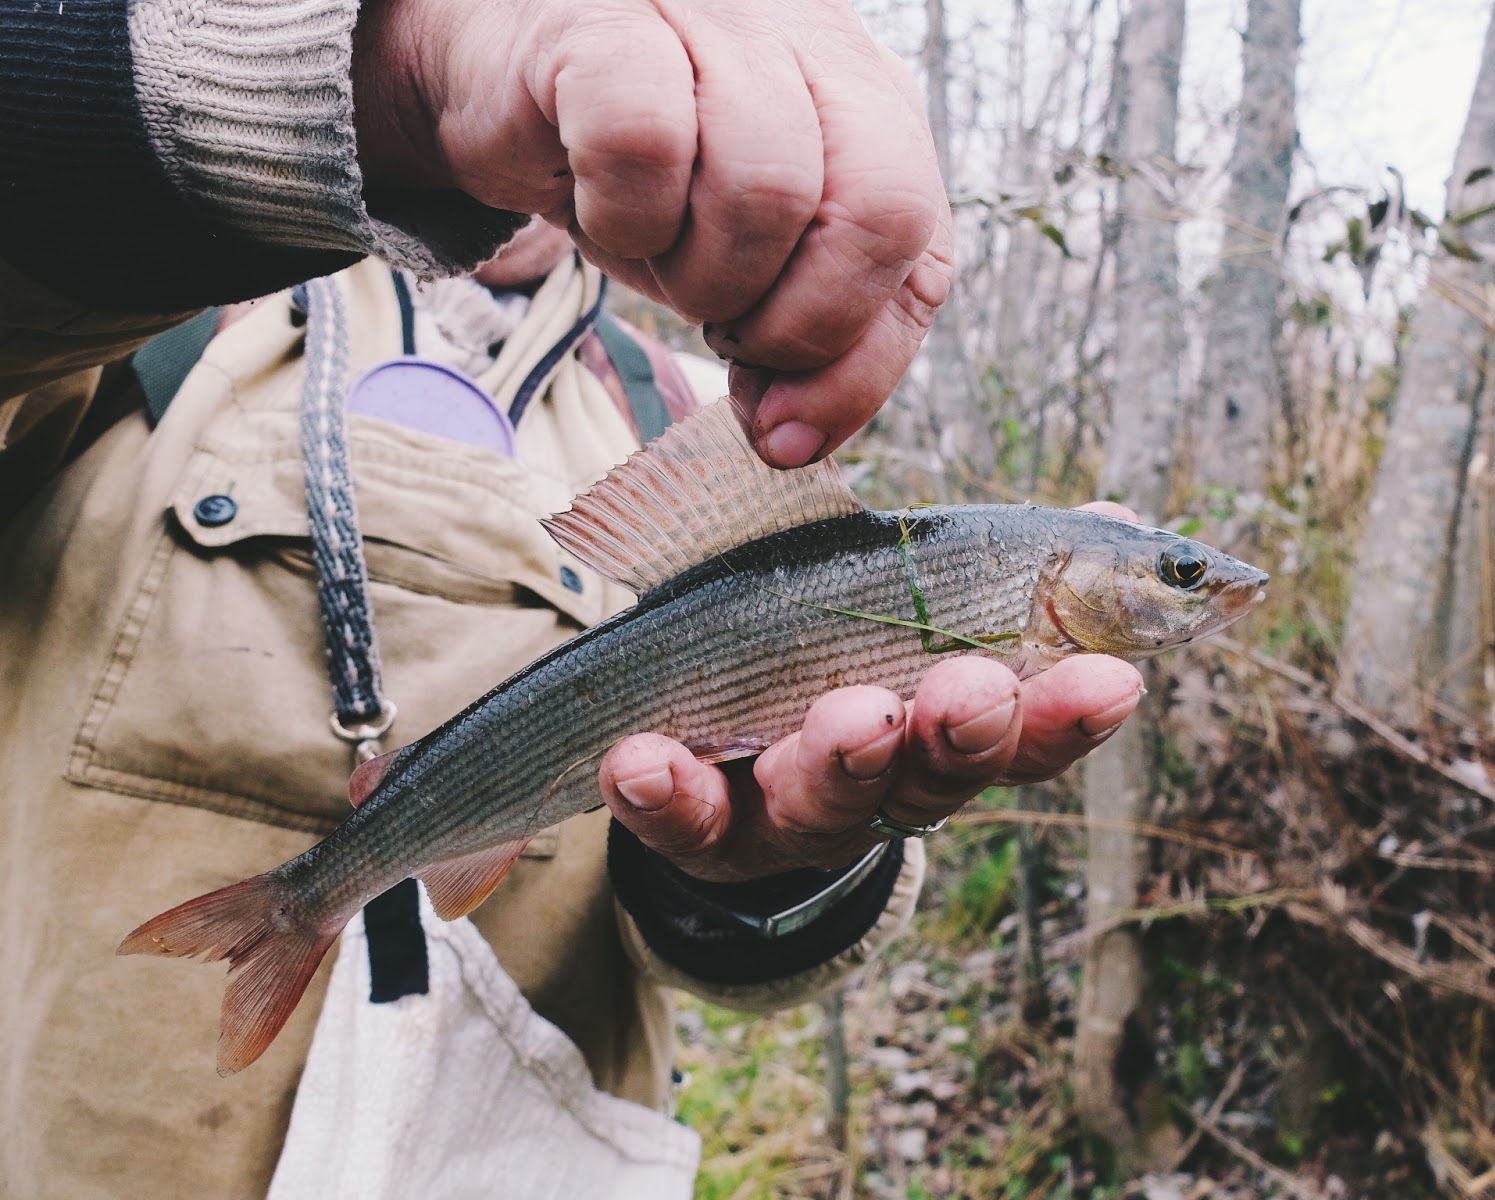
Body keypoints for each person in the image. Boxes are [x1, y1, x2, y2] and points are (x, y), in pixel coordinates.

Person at [0, 0, 1146, 1195]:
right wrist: (378, 78)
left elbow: (750, 965)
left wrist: (771, 861)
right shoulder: (137, 309)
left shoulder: (713, 419)